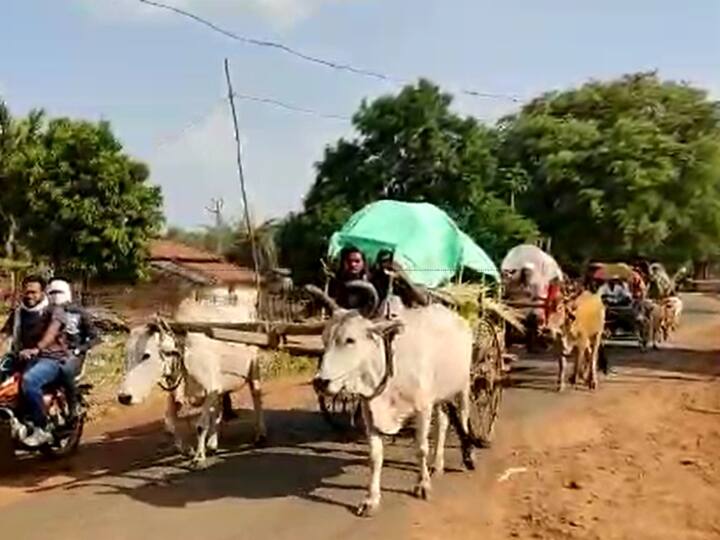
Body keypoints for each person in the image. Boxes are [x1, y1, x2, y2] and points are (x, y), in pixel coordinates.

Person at [0, 275, 68, 446]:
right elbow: (4, 334)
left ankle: (41, 427)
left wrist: (37, 348)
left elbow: (51, 333)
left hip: (51, 358)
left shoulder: (54, 311)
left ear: (43, 292)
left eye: (33, 292)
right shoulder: (18, 312)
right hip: (23, 357)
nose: (29, 295)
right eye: (26, 292)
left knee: (29, 381)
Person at [46, 279, 99, 419]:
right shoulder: (43, 312)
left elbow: (95, 337)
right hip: (49, 354)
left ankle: (72, 407)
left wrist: (80, 349)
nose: (55, 295)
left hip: (73, 354)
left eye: (59, 292)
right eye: (52, 292)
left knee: (65, 370)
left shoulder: (79, 313)